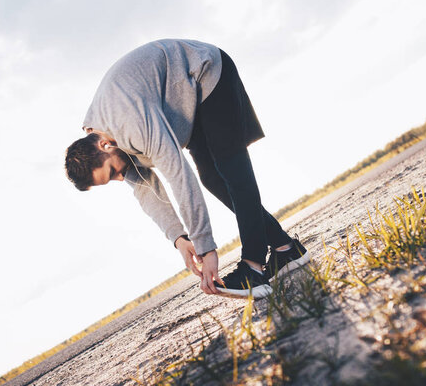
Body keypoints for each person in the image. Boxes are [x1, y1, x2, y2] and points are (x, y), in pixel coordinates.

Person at [65, 39, 309, 298]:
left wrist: (206, 247)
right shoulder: (108, 142)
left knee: (230, 165)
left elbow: (178, 175)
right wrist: (180, 239)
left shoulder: (128, 122)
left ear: (104, 146)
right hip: (184, 107)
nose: (119, 178)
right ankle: (285, 249)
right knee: (213, 179)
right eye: (111, 180)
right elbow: (147, 193)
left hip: (205, 71)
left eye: (112, 172)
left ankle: (253, 266)